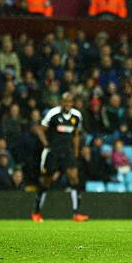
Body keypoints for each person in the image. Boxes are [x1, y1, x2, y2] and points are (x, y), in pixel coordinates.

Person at [31, 92, 89, 222]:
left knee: (74, 178)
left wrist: (75, 152)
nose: (67, 104)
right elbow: (40, 129)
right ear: (61, 102)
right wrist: (46, 144)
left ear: (72, 103)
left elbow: (76, 135)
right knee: (46, 180)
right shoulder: (53, 113)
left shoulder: (76, 116)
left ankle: (76, 213)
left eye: (69, 102)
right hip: (54, 152)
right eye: (65, 101)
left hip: (67, 152)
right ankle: (36, 212)